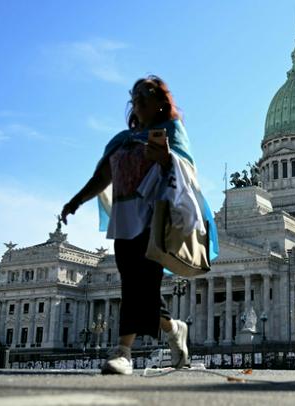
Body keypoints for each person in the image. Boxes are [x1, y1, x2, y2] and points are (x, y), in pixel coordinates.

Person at [61, 75, 218, 375]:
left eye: (146, 95)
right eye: (135, 97)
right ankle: (174, 330)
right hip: (124, 219)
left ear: (161, 102)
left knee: (138, 286)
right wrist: (76, 201)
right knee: (139, 288)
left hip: (154, 218)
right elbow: (102, 177)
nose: (139, 101)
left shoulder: (172, 131)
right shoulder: (121, 141)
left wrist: (166, 157)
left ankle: (123, 352)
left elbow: (185, 171)